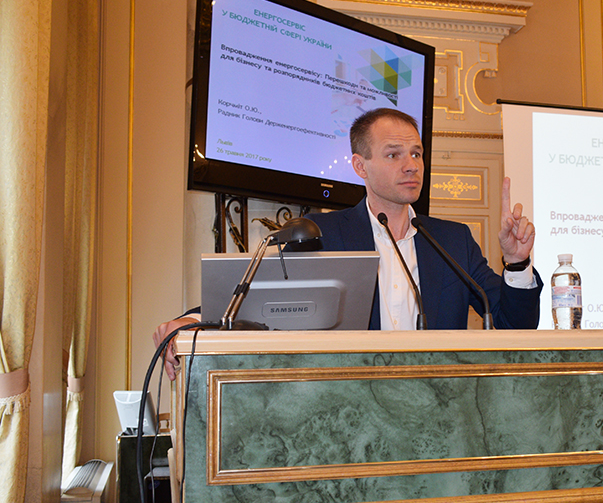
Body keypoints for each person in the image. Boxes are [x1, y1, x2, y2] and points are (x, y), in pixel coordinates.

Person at [154, 108, 541, 377]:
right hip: (352, 412)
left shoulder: (452, 240)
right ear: (360, 166)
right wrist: (191, 320)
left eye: (417, 153)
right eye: (394, 154)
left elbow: (513, 325)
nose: (412, 165)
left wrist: (517, 262)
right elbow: (259, 298)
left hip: (440, 407)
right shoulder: (323, 234)